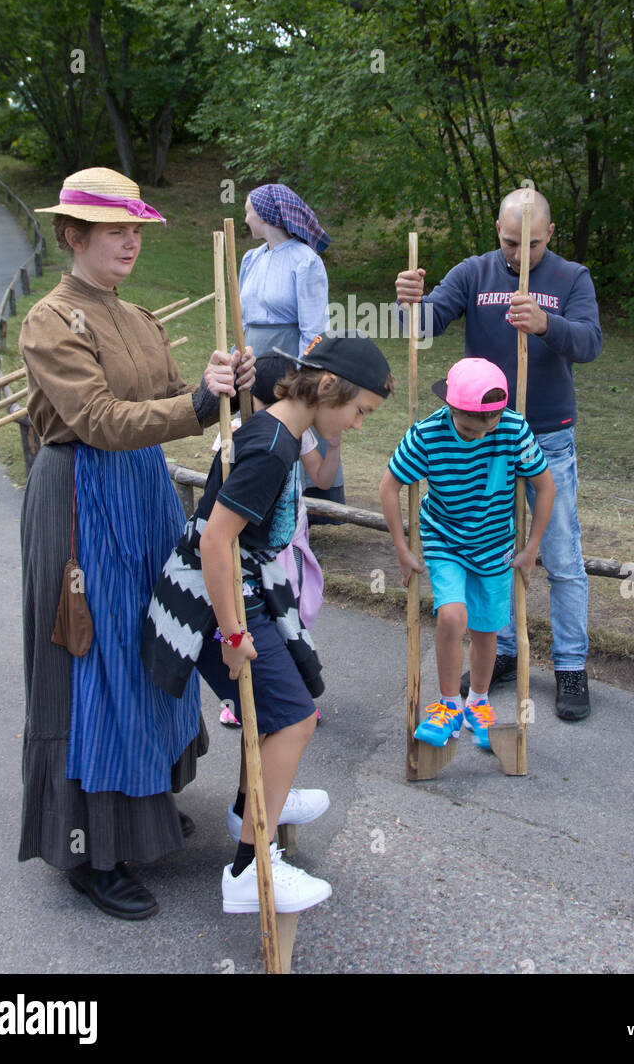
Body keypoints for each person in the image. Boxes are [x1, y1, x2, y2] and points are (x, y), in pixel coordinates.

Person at [19, 166, 254, 921]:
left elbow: (176, 401)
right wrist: (195, 403)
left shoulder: (140, 315)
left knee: (154, 644)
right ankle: (93, 848)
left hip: (144, 492)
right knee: (94, 659)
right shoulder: (51, 321)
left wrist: (227, 384)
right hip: (80, 499)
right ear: (74, 235)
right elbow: (96, 418)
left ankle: (140, 811)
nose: (130, 242)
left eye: (135, 229)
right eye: (114, 230)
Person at [142, 332, 393, 913]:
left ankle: (249, 809)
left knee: (294, 693)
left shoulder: (281, 430)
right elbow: (214, 541)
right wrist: (232, 636)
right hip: (214, 598)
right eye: (359, 411)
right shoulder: (271, 450)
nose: (358, 423)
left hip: (244, 584)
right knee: (295, 720)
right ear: (328, 386)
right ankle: (250, 871)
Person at [395, 188, 602, 720]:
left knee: (557, 553)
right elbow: (424, 330)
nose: (519, 256)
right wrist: (409, 305)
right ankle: (504, 651)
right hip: (482, 437)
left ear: (550, 235)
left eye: (531, 245)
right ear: (497, 231)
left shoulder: (571, 278)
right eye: (511, 243)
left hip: (545, 434)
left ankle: (571, 665)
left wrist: (547, 325)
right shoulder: (474, 273)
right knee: (490, 544)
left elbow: (591, 343)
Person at [380, 358, 555, 747]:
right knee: (451, 617)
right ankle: (447, 706)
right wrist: (401, 548)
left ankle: (478, 701)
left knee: (487, 630)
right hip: (445, 541)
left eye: (488, 426)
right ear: (451, 408)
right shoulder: (427, 434)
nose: (480, 435)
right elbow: (389, 486)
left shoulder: (512, 428)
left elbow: (545, 487)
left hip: (494, 544)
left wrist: (531, 550)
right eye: (468, 428)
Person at [213, 351, 339, 731]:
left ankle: (293, 689)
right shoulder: (239, 433)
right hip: (252, 551)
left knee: (296, 615)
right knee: (258, 621)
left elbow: (322, 477)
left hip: (290, 543)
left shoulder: (295, 432)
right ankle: (245, 697)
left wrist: (333, 445)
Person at [240, 183, 344, 511]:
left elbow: (313, 328)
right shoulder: (250, 259)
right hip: (253, 362)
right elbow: (242, 320)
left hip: (287, 363)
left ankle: (290, 511)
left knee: (285, 435)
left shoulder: (306, 261)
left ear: (267, 215)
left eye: (249, 211)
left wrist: (298, 379)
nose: (245, 218)